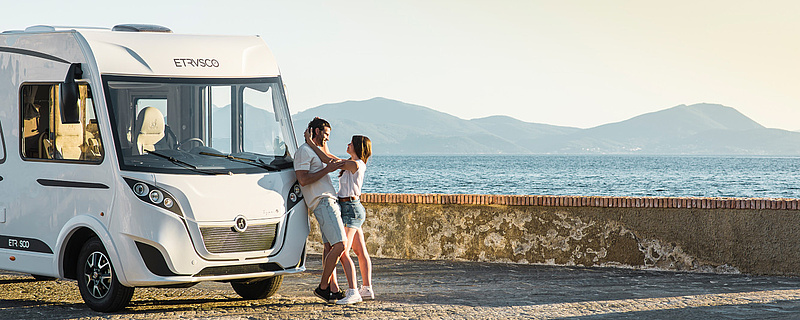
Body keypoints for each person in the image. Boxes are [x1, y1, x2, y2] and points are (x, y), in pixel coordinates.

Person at [304, 129, 374, 303]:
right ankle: (366, 289)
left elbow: (328, 160)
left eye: (351, 143)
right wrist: (323, 139)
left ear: (358, 147)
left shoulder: (356, 164)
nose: (348, 144)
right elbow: (328, 156)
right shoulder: (351, 162)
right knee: (360, 251)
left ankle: (353, 292)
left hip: (350, 208)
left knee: (342, 250)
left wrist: (310, 142)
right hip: (351, 207)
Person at [294, 117, 354, 304]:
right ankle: (322, 287)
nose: (328, 138)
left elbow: (332, 160)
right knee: (341, 245)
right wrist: (326, 170)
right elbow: (303, 180)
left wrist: (314, 146)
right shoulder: (304, 152)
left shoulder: (313, 150)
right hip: (322, 202)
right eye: (326, 134)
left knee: (330, 247)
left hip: (328, 201)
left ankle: (332, 289)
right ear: (316, 131)